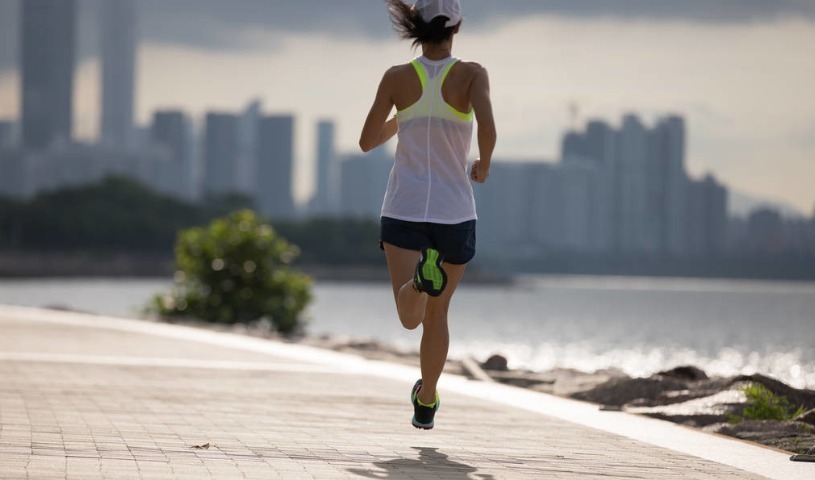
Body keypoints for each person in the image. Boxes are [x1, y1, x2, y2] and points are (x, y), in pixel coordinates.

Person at [359, 0, 496, 430]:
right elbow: (488, 128)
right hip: (454, 212)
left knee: (408, 315)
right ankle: (428, 396)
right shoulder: (472, 74)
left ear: (415, 26)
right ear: (457, 25)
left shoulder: (397, 78)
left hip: (404, 207)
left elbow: (366, 141)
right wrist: (484, 165)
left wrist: (404, 118)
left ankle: (419, 278)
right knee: (437, 316)